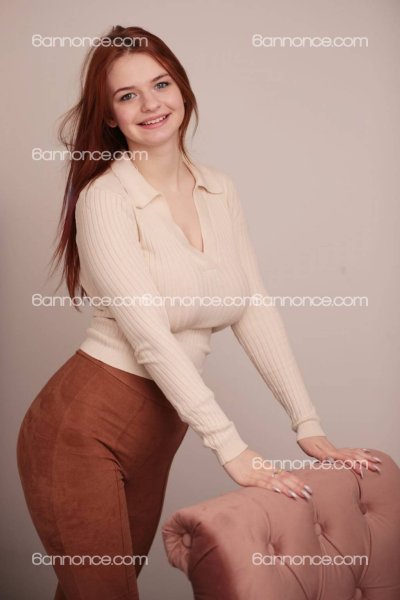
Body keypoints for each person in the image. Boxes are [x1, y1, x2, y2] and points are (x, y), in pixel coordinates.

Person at [16, 25, 382, 600]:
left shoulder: (219, 189)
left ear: (182, 88)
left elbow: (252, 305)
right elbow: (150, 338)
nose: (151, 104)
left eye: (160, 84)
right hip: (83, 427)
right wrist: (231, 447)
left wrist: (307, 425)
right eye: (128, 95)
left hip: (161, 427)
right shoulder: (106, 199)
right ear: (109, 116)